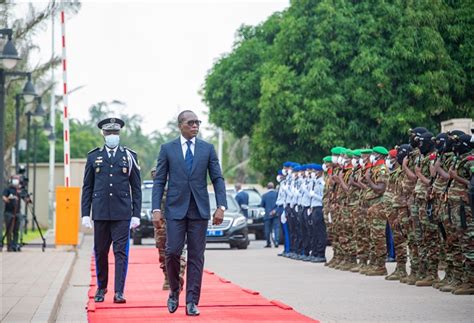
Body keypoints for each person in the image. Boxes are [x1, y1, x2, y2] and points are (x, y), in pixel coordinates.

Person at [152, 110, 227, 316]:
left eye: (197, 123)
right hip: (175, 210)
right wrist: (156, 209)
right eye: (190, 123)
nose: (195, 126)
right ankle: (175, 290)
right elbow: (159, 181)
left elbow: (217, 179)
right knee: (172, 252)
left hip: (199, 211)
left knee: (196, 257)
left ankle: (192, 301)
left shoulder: (207, 149)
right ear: (180, 125)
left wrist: (221, 206)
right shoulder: (167, 149)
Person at [81, 117, 142, 304]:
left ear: (119, 134)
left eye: (115, 133)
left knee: (120, 253)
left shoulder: (129, 156)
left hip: (122, 214)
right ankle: (101, 288)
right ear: (103, 134)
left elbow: (136, 188)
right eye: (109, 133)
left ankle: (119, 292)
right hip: (100, 213)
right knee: (100, 252)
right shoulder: (93, 157)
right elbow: (87, 187)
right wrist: (85, 213)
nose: (112, 136)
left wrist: (136, 214)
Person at [151, 167, 187, 291]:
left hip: (177, 218)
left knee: (177, 249)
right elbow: (155, 174)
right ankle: (168, 277)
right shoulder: (159, 171)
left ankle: (178, 275)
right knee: (162, 251)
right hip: (161, 220)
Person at [2, 176, 21, 252]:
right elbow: (3, 197)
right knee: (9, 230)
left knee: (16, 230)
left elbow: (25, 198)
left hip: (17, 212)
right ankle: (9, 246)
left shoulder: (19, 190)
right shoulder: (8, 189)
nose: (16, 181)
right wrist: (9, 199)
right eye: (14, 179)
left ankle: (15, 245)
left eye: (17, 180)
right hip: (9, 212)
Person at [261, 182, 279, 248]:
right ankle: (276, 241)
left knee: (267, 229)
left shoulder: (264, 195)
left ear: (267, 187)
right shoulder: (277, 194)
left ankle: (268, 242)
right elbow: (279, 203)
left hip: (268, 214)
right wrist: (275, 210)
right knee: (276, 228)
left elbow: (262, 204)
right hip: (276, 213)